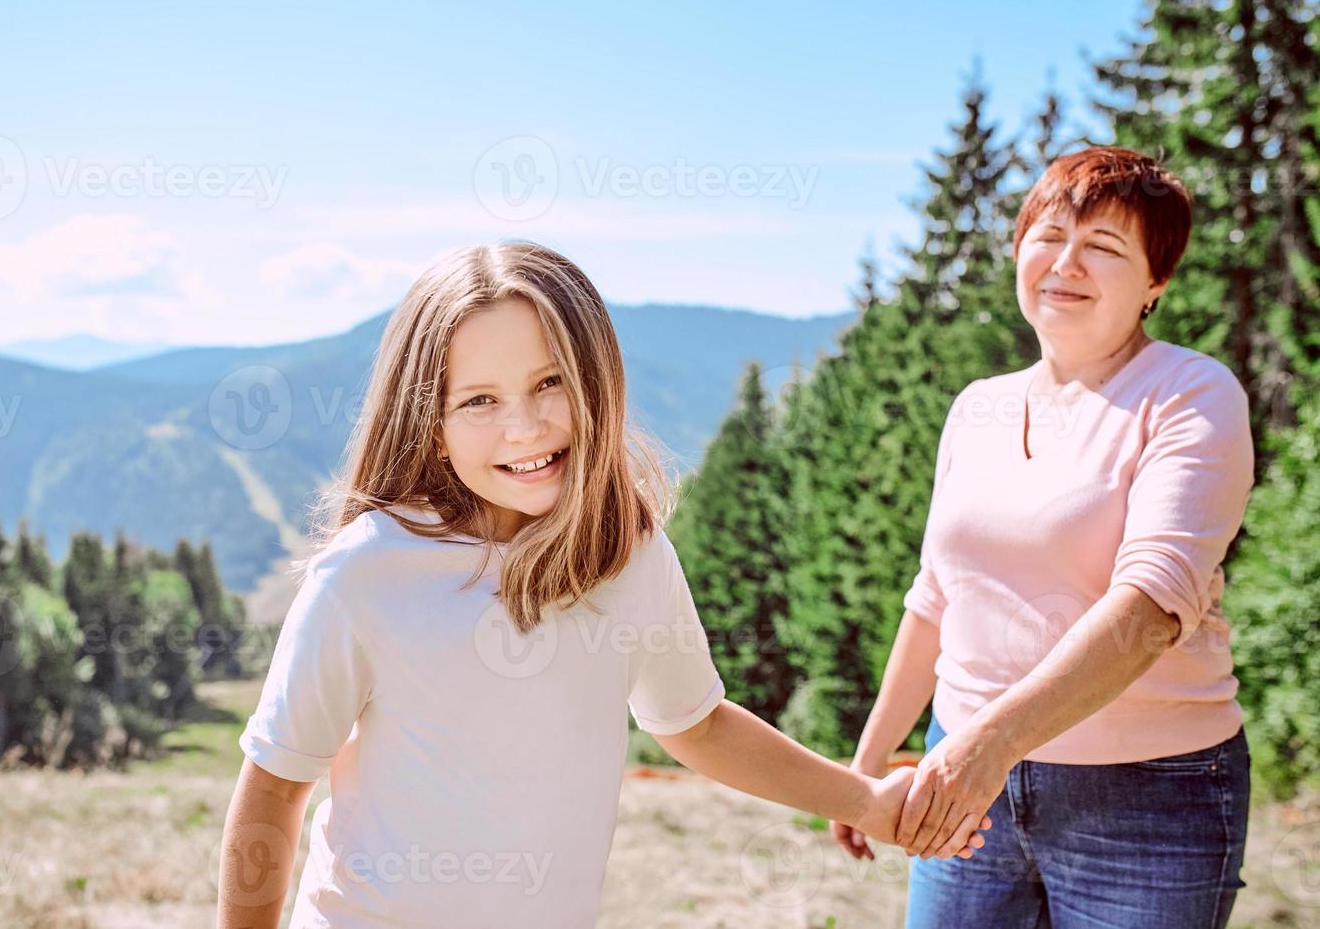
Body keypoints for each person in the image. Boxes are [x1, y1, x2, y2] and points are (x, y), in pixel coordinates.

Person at [216, 241, 991, 928]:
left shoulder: (627, 551)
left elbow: (697, 723)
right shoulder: (365, 574)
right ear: (430, 421)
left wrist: (865, 801)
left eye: (550, 383)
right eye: (479, 400)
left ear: (598, 384)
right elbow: (275, 789)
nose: (525, 427)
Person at [832, 146, 1256, 928]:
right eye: (1048, 235)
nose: (1066, 262)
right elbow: (936, 598)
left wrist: (981, 751)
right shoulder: (977, 406)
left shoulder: (1191, 394)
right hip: (963, 786)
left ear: (1155, 283)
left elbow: (1151, 607)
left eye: (1103, 247)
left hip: (1147, 798)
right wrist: (869, 761)